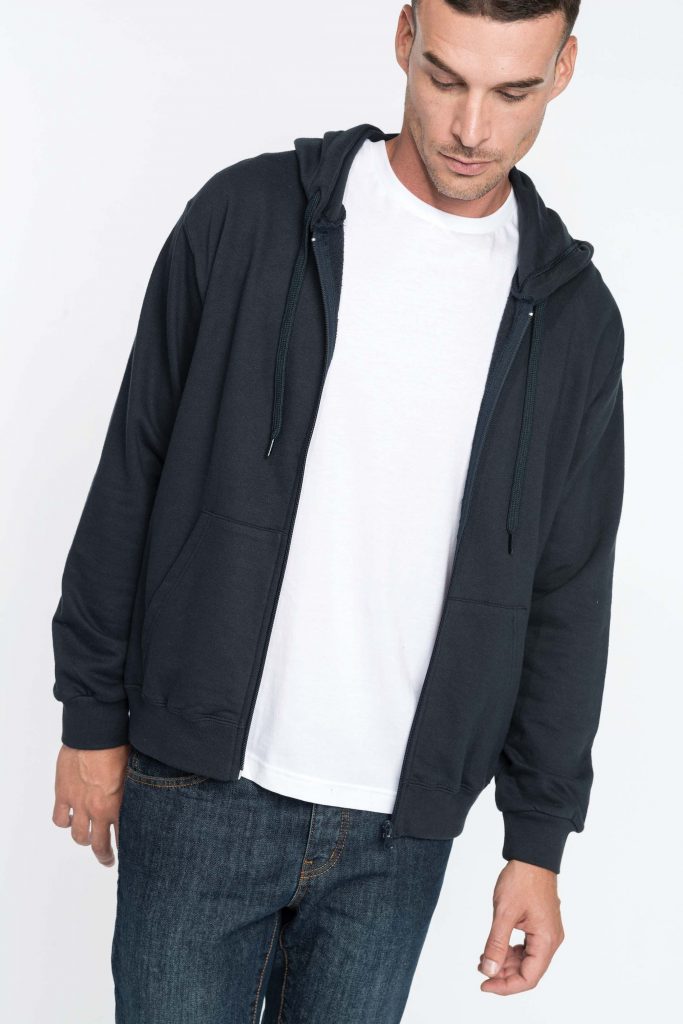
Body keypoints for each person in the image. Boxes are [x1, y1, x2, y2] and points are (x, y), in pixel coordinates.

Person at [51, 0, 625, 1019]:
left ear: (564, 68)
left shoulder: (573, 317)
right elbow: (134, 467)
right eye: (444, 79)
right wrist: (90, 719)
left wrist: (536, 843)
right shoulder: (247, 217)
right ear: (403, 37)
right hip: (199, 787)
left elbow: (566, 590)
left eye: (512, 92)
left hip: (397, 836)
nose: (471, 128)